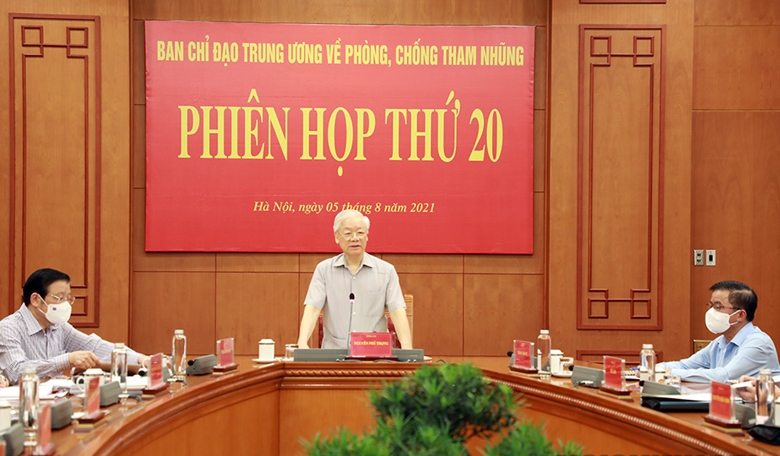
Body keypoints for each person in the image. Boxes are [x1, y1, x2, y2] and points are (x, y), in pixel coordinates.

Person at [0, 268, 150, 384]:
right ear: (35, 300)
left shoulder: (58, 326)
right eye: (59, 297)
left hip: (54, 401)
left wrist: (141, 359)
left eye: (68, 298)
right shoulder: (9, 328)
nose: (65, 304)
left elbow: (95, 347)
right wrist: (67, 360)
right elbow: (15, 371)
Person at [296, 209, 412, 350]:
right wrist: (302, 343)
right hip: (335, 353)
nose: (355, 238)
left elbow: (397, 311)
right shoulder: (324, 270)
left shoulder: (386, 271)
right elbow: (313, 308)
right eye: (348, 233)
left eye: (360, 233)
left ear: (367, 236)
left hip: (375, 354)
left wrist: (408, 349)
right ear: (337, 237)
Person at [656, 281, 780, 383]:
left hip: (757, 406)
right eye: (711, 305)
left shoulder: (758, 343)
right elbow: (685, 365)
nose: (711, 312)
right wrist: (657, 368)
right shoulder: (720, 342)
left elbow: (723, 377)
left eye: (718, 306)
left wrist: (671, 373)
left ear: (740, 315)